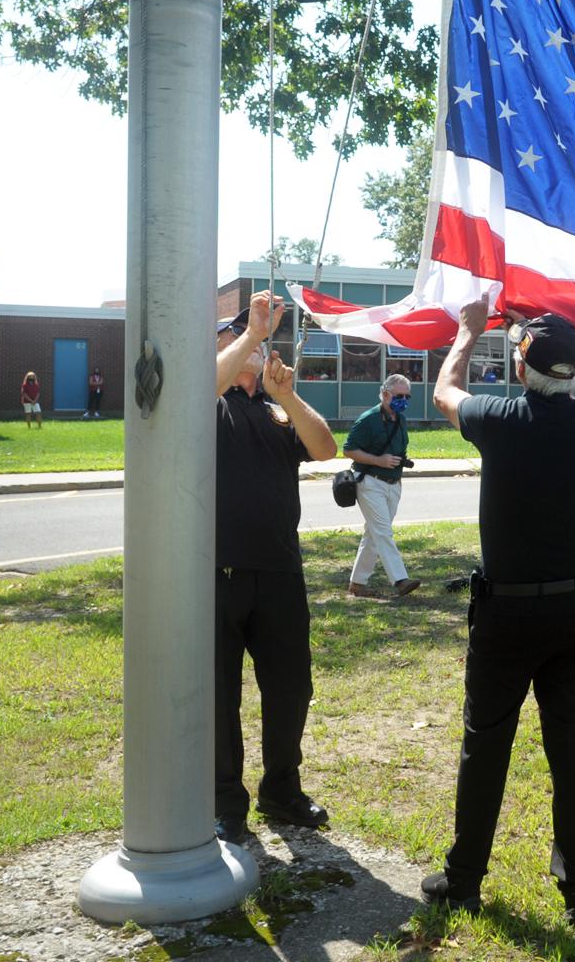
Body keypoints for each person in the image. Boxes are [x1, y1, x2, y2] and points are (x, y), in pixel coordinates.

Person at [424, 299, 575, 925]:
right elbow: (553, 381)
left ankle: (465, 877)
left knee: (486, 746)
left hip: (509, 614)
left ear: (520, 364)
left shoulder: (499, 418)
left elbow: (445, 390)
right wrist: (524, 337)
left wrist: (470, 331)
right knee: (569, 749)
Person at [212, 292, 339, 845]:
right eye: (236, 337)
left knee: (290, 689)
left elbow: (326, 448)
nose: (251, 344)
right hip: (219, 574)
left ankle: (281, 791)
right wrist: (253, 337)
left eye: (255, 339)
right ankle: (224, 803)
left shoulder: (272, 408)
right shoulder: (206, 404)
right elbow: (200, 385)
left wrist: (287, 393)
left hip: (281, 574)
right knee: (220, 695)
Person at [343, 374, 423, 599]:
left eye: (408, 396)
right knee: (383, 532)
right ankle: (400, 580)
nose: (404, 400)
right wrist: (378, 460)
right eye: (400, 396)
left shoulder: (400, 419)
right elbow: (349, 450)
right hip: (370, 482)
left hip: (393, 484)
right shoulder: (368, 419)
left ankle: (357, 584)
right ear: (386, 394)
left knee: (374, 534)